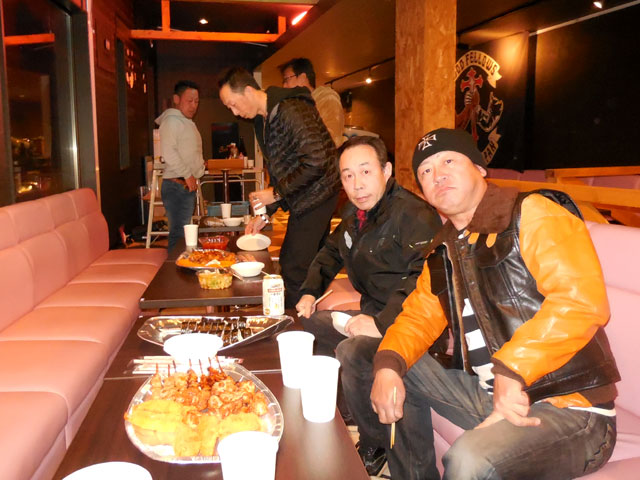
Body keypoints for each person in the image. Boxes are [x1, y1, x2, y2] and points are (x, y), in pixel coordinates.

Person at [361, 128, 620, 479]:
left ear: (479, 168)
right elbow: (418, 318)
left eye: (448, 161)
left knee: (468, 460)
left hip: (571, 409)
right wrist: (387, 367)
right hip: (489, 394)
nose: (438, 175)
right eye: (426, 171)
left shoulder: (533, 213)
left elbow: (581, 302)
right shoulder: (444, 247)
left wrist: (512, 369)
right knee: (379, 357)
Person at [296, 135, 442, 475]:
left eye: (365, 172)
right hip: (373, 312)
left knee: (352, 351)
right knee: (313, 324)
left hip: (409, 322)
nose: (357, 184)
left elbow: (424, 278)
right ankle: (348, 412)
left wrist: (380, 323)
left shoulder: (414, 215)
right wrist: (309, 292)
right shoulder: (355, 213)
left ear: (386, 171)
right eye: (348, 176)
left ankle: (374, 441)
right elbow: (330, 252)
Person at [217, 67, 341, 308]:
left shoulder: (291, 108)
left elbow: (317, 160)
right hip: (307, 194)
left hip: (318, 194)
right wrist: (265, 213)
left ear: (248, 91)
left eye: (233, 104)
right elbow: (283, 171)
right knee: (310, 264)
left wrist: (274, 194)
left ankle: (294, 322)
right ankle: (310, 314)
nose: (234, 112)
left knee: (293, 266)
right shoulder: (263, 120)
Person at [155, 80, 205, 252]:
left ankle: (178, 264)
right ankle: (173, 266)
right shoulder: (171, 121)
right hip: (176, 185)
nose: (193, 106)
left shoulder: (185, 121)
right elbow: (169, 153)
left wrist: (198, 168)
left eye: (196, 101)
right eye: (189, 101)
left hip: (183, 185)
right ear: (176, 99)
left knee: (181, 233)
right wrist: (188, 174)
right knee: (178, 234)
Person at [280, 57, 345, 147]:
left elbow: (331, 140)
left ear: (302, 78)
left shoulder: (326, 99)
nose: (284, 86)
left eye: (287, 79)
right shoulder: (298, 105)